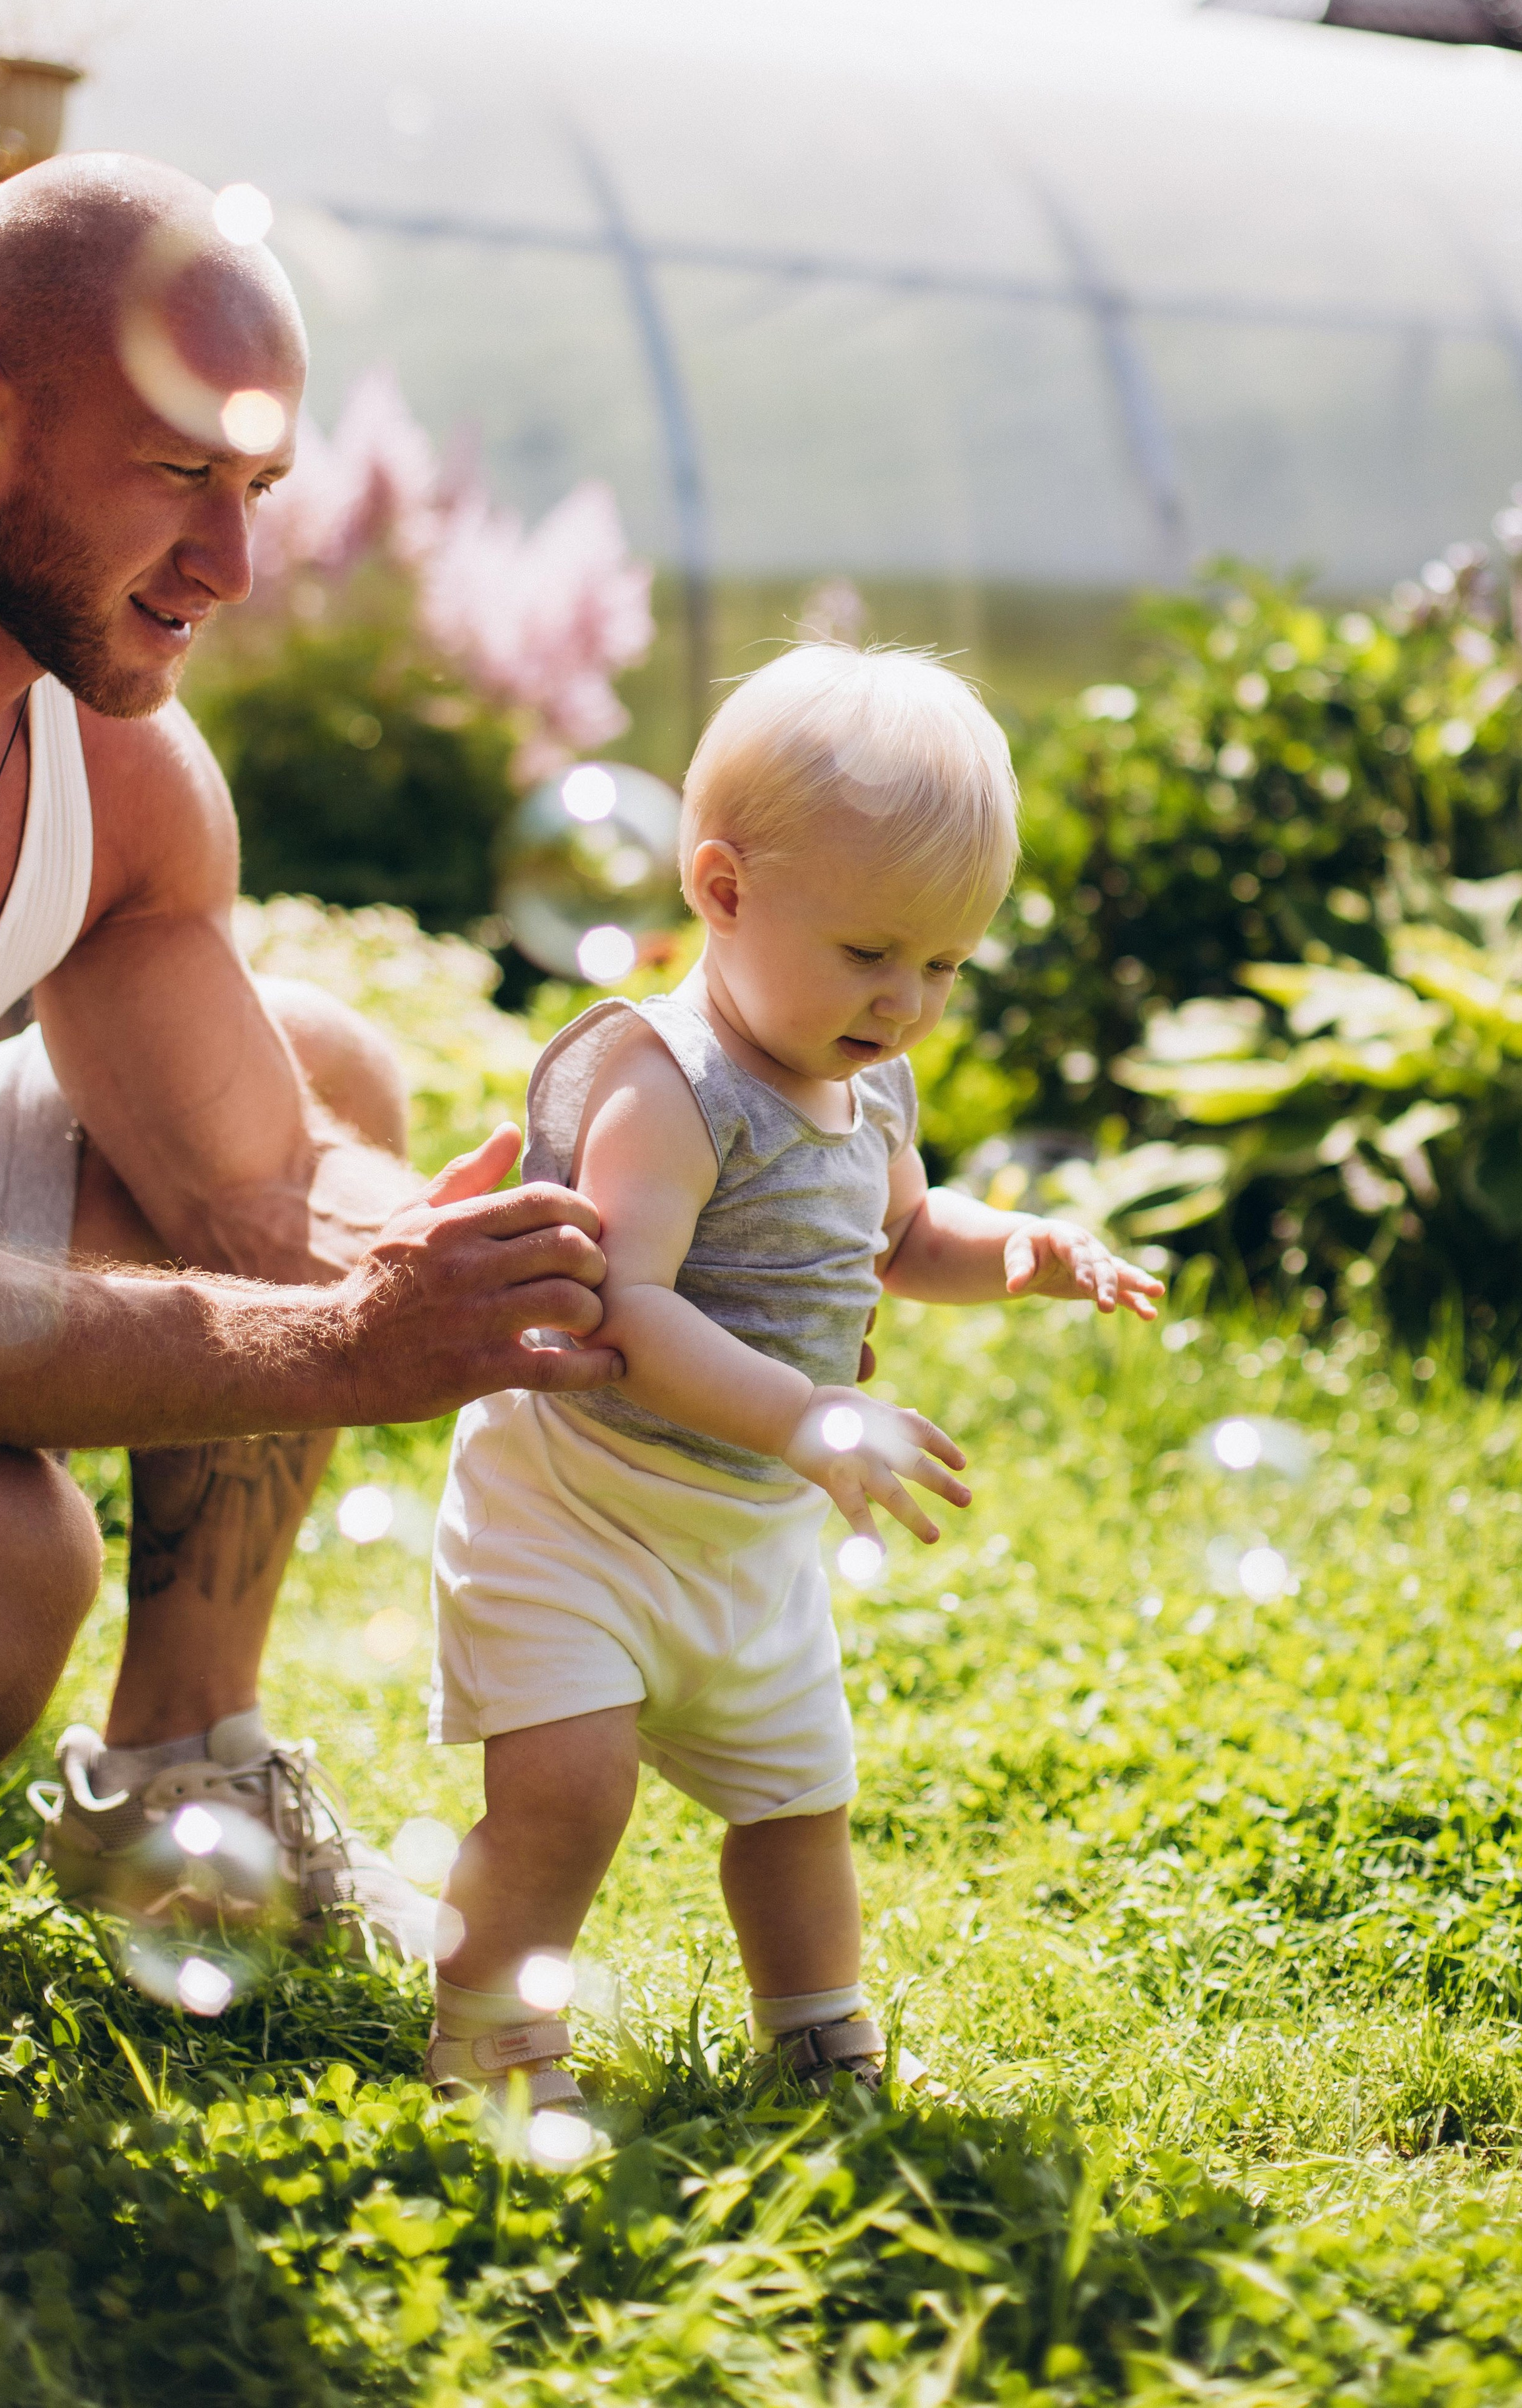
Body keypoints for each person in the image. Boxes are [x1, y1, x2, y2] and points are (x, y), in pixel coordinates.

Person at [0, 151, 622, 1937]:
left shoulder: (120, 778)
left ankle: (182, 1772)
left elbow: (261, 1181)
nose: (233, 563)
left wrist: (612, 1278)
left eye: (261, 486)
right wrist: (340, 1345)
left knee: (318, 1066)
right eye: (178, 478)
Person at [425, 644, 1163, 2111]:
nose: (904, 1003)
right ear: (721, 889)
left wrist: (1020, 1250)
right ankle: (495, 2040)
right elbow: (629, 1309)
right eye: (872, 952)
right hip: (579, 1515)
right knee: (568, 1793)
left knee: (797, 1804)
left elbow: (901, 1233)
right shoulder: (664, 1080)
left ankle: (819, 2035)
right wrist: (808, 1411)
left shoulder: (864, 1075)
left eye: (943, 965)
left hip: (748, 1536)